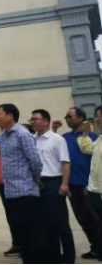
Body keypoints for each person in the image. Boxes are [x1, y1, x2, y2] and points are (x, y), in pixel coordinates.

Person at [0, 104, 45, 264]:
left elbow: (35, 162)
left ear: (10, 116)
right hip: (10, 192)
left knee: (30, 234)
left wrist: (33, 180)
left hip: (25, 192)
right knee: (20, 233)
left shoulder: (22, 135)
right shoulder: (3, 136)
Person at [53, 107, 100, 260]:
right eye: (66, 116)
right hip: (72, 185)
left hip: (88, 186)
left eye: (70, 116)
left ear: (80, 118)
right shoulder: (64, 137)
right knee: (83, 219)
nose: (67, 119)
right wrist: (54, 130)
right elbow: (52, 148)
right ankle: (95, 248)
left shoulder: (92, 137)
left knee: (95, 219)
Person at [31, 109, 75, 264]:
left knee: (60, 222)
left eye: (36, 119)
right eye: (31, 120)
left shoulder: (57, 139)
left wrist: (64, 184)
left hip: (54, 183)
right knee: (45, 223)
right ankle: (53, 256)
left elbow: (65, 163)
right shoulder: (31, 139)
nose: (33, 122)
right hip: (37, 185)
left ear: (45, 121)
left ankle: (68, 258)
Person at [77, 106, 102, 260]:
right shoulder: (99, 139)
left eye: (99, 116)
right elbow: (87, 149)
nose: (97, 120)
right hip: (95, 189)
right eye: (96, 116)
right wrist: (85, 133)